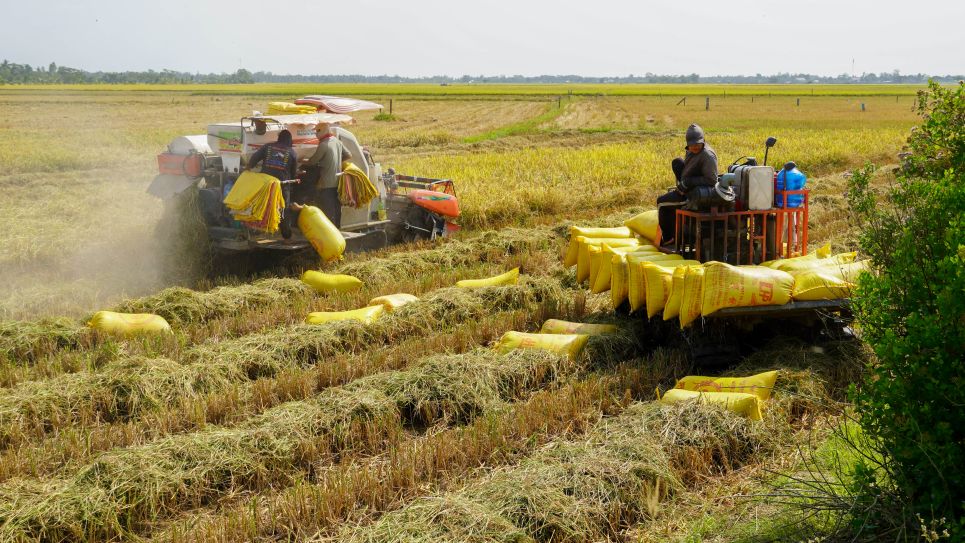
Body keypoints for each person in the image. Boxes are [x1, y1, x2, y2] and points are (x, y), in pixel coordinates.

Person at [656, 123, 718, 246]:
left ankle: (669, 238)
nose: (694, 146)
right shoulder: (692, 151)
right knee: (677, 162)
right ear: (688, 144)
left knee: (662, 203)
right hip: (689, 187)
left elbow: (712, 180)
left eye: (697, 143)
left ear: (703, 141)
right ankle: (677, 232)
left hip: (696, 195)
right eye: (691, 144)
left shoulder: (707, 156)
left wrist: (688, 182)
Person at [299, 122, 347, 227]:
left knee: (327, 209)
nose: (316, 134)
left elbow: (312, 161)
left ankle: (331, 231)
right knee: (336, 207)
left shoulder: (324, 145)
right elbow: (348, 155)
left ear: (323, 130)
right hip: (337, 181)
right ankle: (337, 229)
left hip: (325, 183)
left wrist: (301, 161)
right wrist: (336, 162)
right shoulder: (337, 142)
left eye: (318, 131)